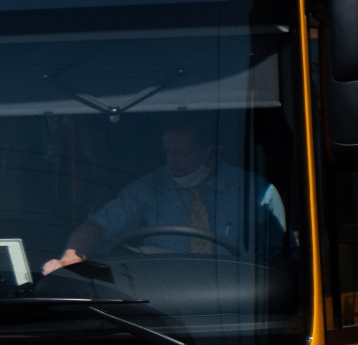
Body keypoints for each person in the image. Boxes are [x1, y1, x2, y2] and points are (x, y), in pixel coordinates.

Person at [42, 118, 280, 275]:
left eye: (183, 153)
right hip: (162, 304)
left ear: (212, 153)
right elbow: (97, 226)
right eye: (168, 152)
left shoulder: (255, 191)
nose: (173, 162)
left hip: (236, 306)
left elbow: (284, 255)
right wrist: (71, 257)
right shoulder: (149, 188)